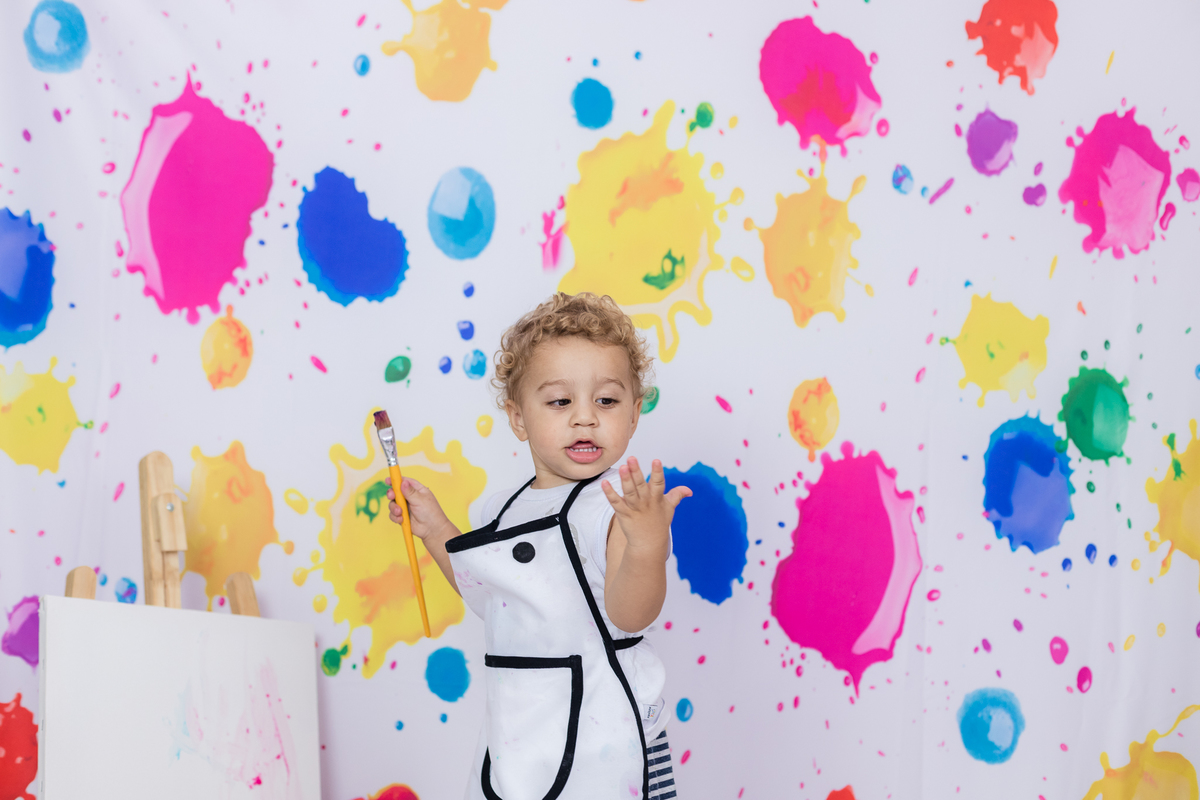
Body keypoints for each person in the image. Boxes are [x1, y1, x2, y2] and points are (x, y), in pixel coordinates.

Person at [387, 291, 690, 800]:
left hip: (612, 738)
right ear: (518, 418)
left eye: (607, 401)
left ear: (635, 414)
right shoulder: (502, 509)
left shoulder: (616, 509)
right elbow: (490, 597)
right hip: (523, 737)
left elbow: (631, 614)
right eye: (560, 402)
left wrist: (646, 545)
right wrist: (437, 529)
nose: (585, 417)